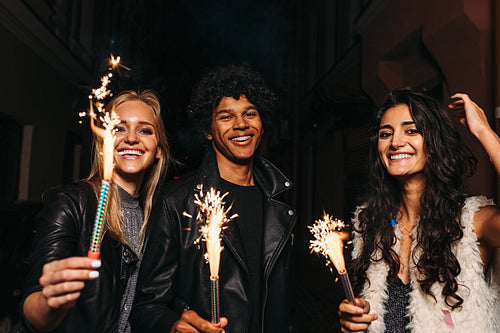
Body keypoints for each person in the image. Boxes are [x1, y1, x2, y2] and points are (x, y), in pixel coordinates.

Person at [131, 64, 296, 333]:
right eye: (226, 116)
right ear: (208, 130)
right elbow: (146, 308)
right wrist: (172, 325)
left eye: (250, 114)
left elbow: (286, 307)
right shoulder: (178, 202)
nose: (241, 124)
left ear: (262, 123)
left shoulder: (280, 202)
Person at [338, 88, 500, 333]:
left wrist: (484, 132)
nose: (395, 142)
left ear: (435, 141)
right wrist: (352, 320)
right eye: (385, 134)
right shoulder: (371, 223)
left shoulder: (473, 221)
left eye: (411, 130)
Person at [19, 90, 173, 332]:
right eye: (119, 128)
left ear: (159, 149)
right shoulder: (72, 203)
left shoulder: (161, 218)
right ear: (104, 143)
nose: (131, 138)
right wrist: (51, 303)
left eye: (145, 130)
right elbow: (33, 308)